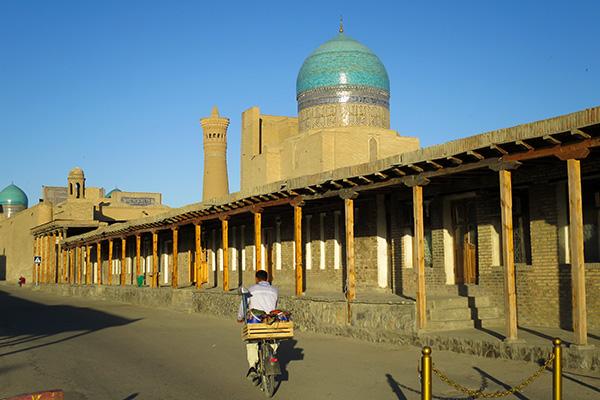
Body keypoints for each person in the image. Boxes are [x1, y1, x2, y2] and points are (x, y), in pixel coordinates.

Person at [237, 270, 278, 381]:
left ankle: (252, 367)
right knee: (273, 339)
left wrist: (240, 317)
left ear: (256, 279)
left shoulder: (251, 289)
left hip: (256, 324)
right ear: (267, 278)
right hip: (270, 323)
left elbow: (243, 305)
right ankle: (272, 354)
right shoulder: (274, 290)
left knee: (252, 342)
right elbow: (275, 307)